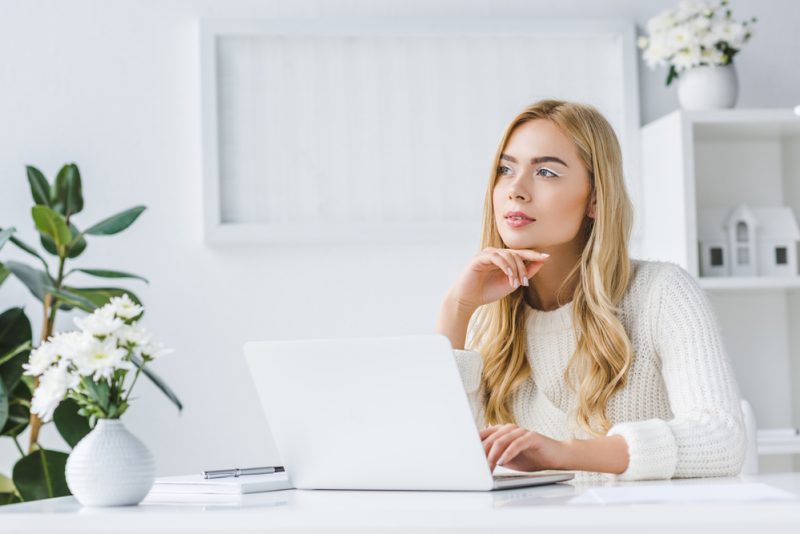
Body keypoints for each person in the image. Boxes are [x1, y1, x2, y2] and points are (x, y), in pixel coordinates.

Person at [435, 99, 746, 481]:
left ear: (596, 198)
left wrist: (564, 454)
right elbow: (439, 456)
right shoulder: (487, 321)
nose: (516, 189)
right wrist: (457, 308)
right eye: (505, 169)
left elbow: (721, 441)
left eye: (546, 171)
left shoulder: (662, 294)